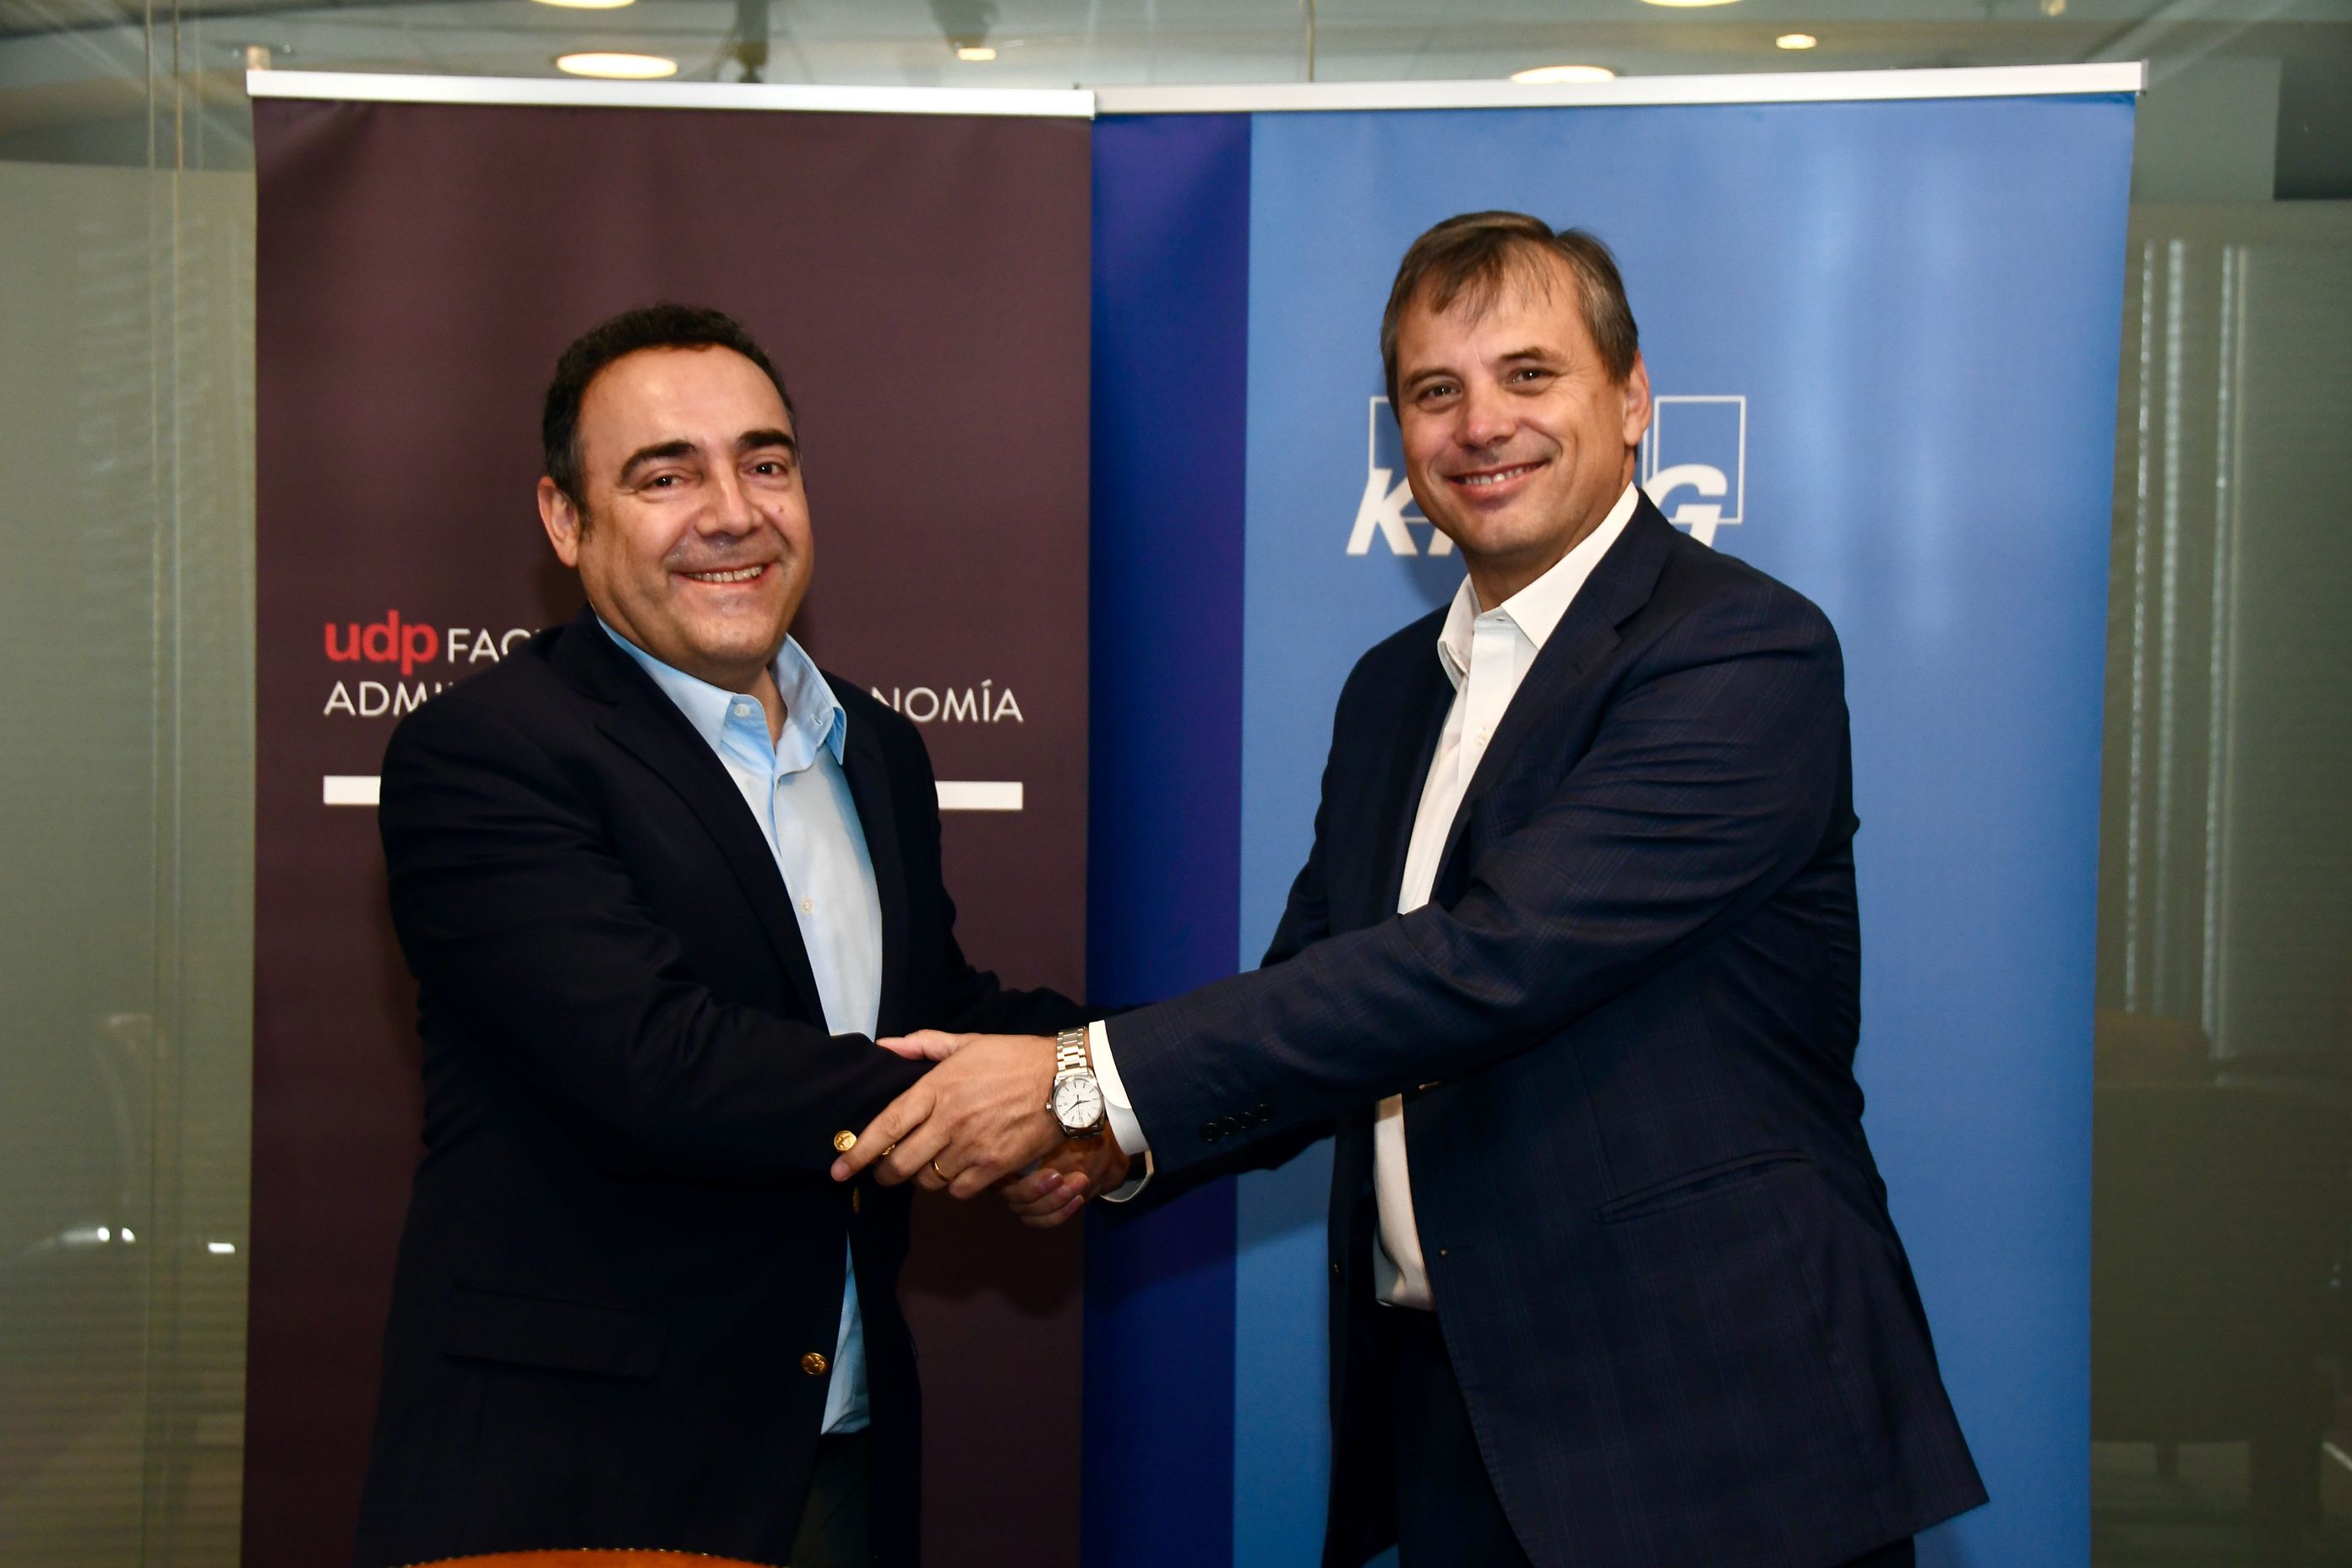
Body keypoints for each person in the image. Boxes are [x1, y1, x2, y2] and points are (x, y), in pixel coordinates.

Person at [837, 214, 1988, 1568]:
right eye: (1436, 392)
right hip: (1459, 1412)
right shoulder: (1392, 689)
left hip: (1715, 1419)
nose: (1481, 424)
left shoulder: (1738, 648)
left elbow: (1492, 959)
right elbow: (1318, 995)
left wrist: (1080, 1080)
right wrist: (1113, 1144)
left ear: (1632, 401)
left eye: (1529, 375)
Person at [351, 304, 1116, 1568]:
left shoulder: (874, 746)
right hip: (586, 1487)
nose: (733, 512)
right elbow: (657, 1063)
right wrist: (1030, 1099)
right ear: (565, 520)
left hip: (839, 1453)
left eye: (765, 463)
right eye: (666, 476)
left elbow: (930, 1010)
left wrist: (1126, 1082)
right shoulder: (484, 753)